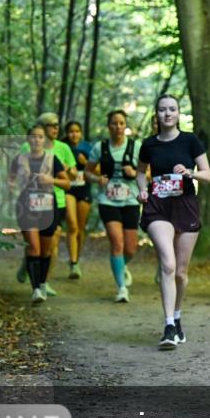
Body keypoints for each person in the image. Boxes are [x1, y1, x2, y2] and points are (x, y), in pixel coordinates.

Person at [136, 94, 210, 350]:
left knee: (180, 271)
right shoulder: (148, 144)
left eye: (172, 109)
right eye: (162, 110)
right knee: (167, 265)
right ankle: (168, 325)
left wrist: (190, 172)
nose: (167, 114)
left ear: (178, 113)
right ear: (156, 114)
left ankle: (177, 316)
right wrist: (143, 190)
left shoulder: (190, 141)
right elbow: (139, 172)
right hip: (158, 207)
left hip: (185, 206)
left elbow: (208, 175)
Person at [16, 112, 77, 296]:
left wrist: (54, 177)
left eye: (57, 124)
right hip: (28, 205)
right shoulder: (24, 152)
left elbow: (70, 178)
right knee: (35, 246)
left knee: (49, 245)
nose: (56, 128)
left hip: (53, 202)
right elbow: (12, 179)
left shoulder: (61, 150)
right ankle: (37, 287)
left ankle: (43, 281)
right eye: (51, 125)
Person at [85, 110, 142, 303]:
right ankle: (122, 288)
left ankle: (120, 266)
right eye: (114, 123)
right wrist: (96, 179)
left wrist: (134, 172)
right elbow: (87, 173)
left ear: (126, 126)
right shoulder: (99, 148)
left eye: (121, 123)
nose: (118, 127)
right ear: (108, 126)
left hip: (131, 201)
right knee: (117, 243)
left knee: (131, 248)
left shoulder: (136, 147)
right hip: (107, 200)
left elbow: (148, 173)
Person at [63, 121, 93, 279]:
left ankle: (77, 259)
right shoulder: (62, 147)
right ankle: (73, 262)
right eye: (71, 131)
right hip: (68, 189)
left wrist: (85, 163)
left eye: (77, 131)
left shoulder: (88, 147)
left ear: (81, 133)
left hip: (84, 189)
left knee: (81, 228)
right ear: (67, 133)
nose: (74, 134)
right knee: (72, 225)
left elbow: (99, 170)